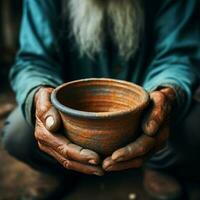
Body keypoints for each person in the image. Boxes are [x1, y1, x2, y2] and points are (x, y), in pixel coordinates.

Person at [1, 0, 200, 199]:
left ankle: (156, 162)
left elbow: (178, 55)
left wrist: (165, 94)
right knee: (18, 134)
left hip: (143, 114)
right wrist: (38, 96)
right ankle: (59, 165)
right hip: (68, 121)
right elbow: (34, 60)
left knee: (194, 128)